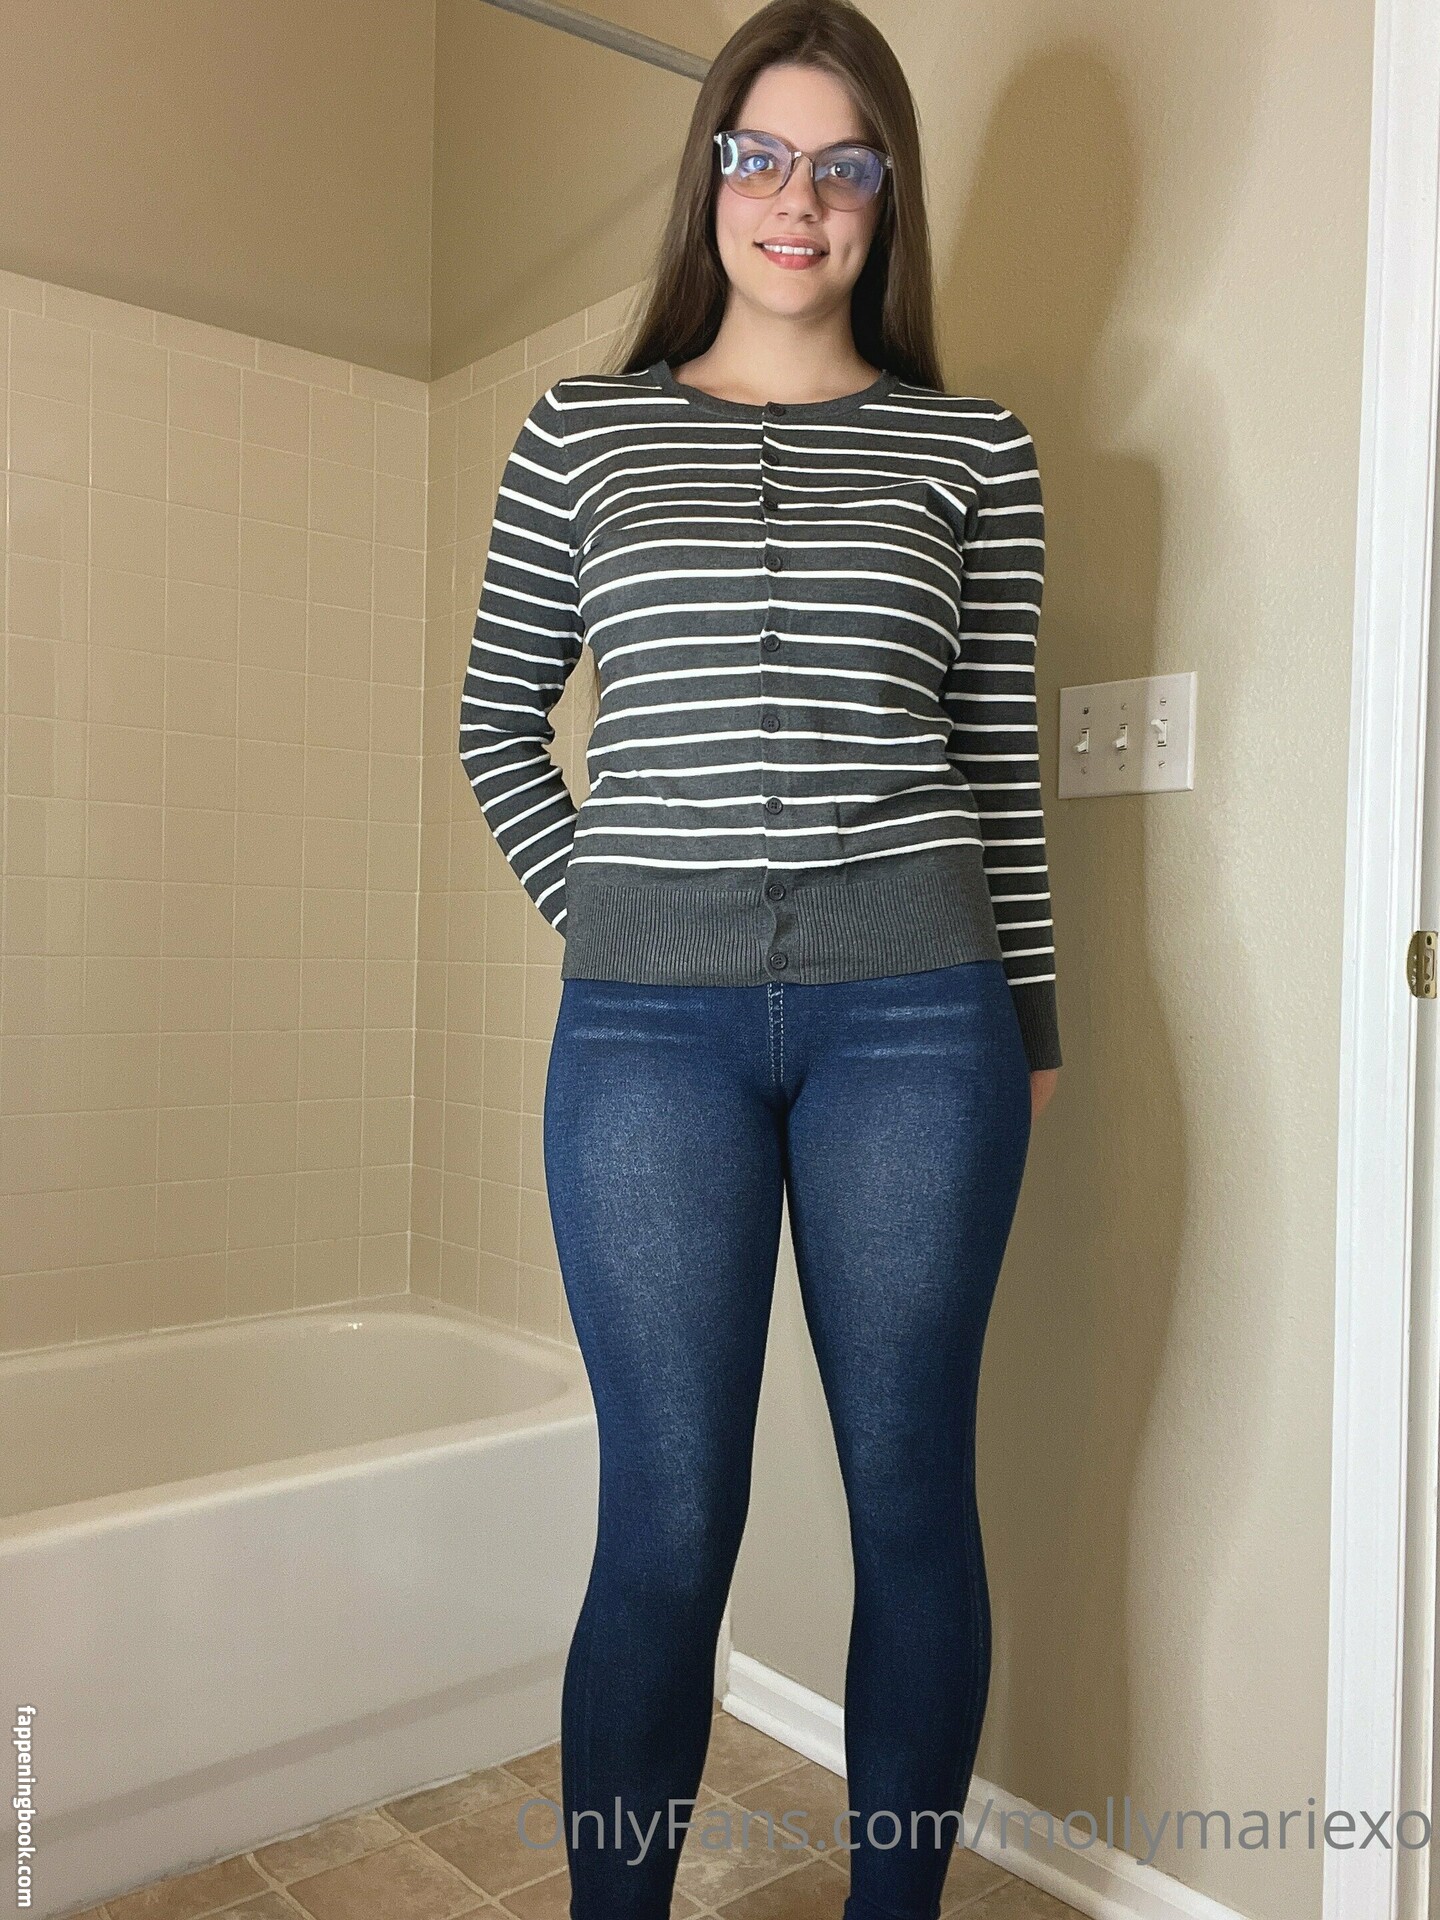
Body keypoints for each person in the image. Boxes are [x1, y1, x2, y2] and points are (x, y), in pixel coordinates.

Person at [457, 3, 1062, 1913]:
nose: (799, 200)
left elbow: (998, 769)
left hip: (925, 1028)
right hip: (646, 1039)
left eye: (845, 164)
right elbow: (494, 725)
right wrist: (614, 918)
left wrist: (1030, 1025)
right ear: (711, 174)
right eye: (763, 156)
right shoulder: (582, 432)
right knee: (666, 1516)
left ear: (888, 197)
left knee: (914, 1498)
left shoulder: (977, 451)